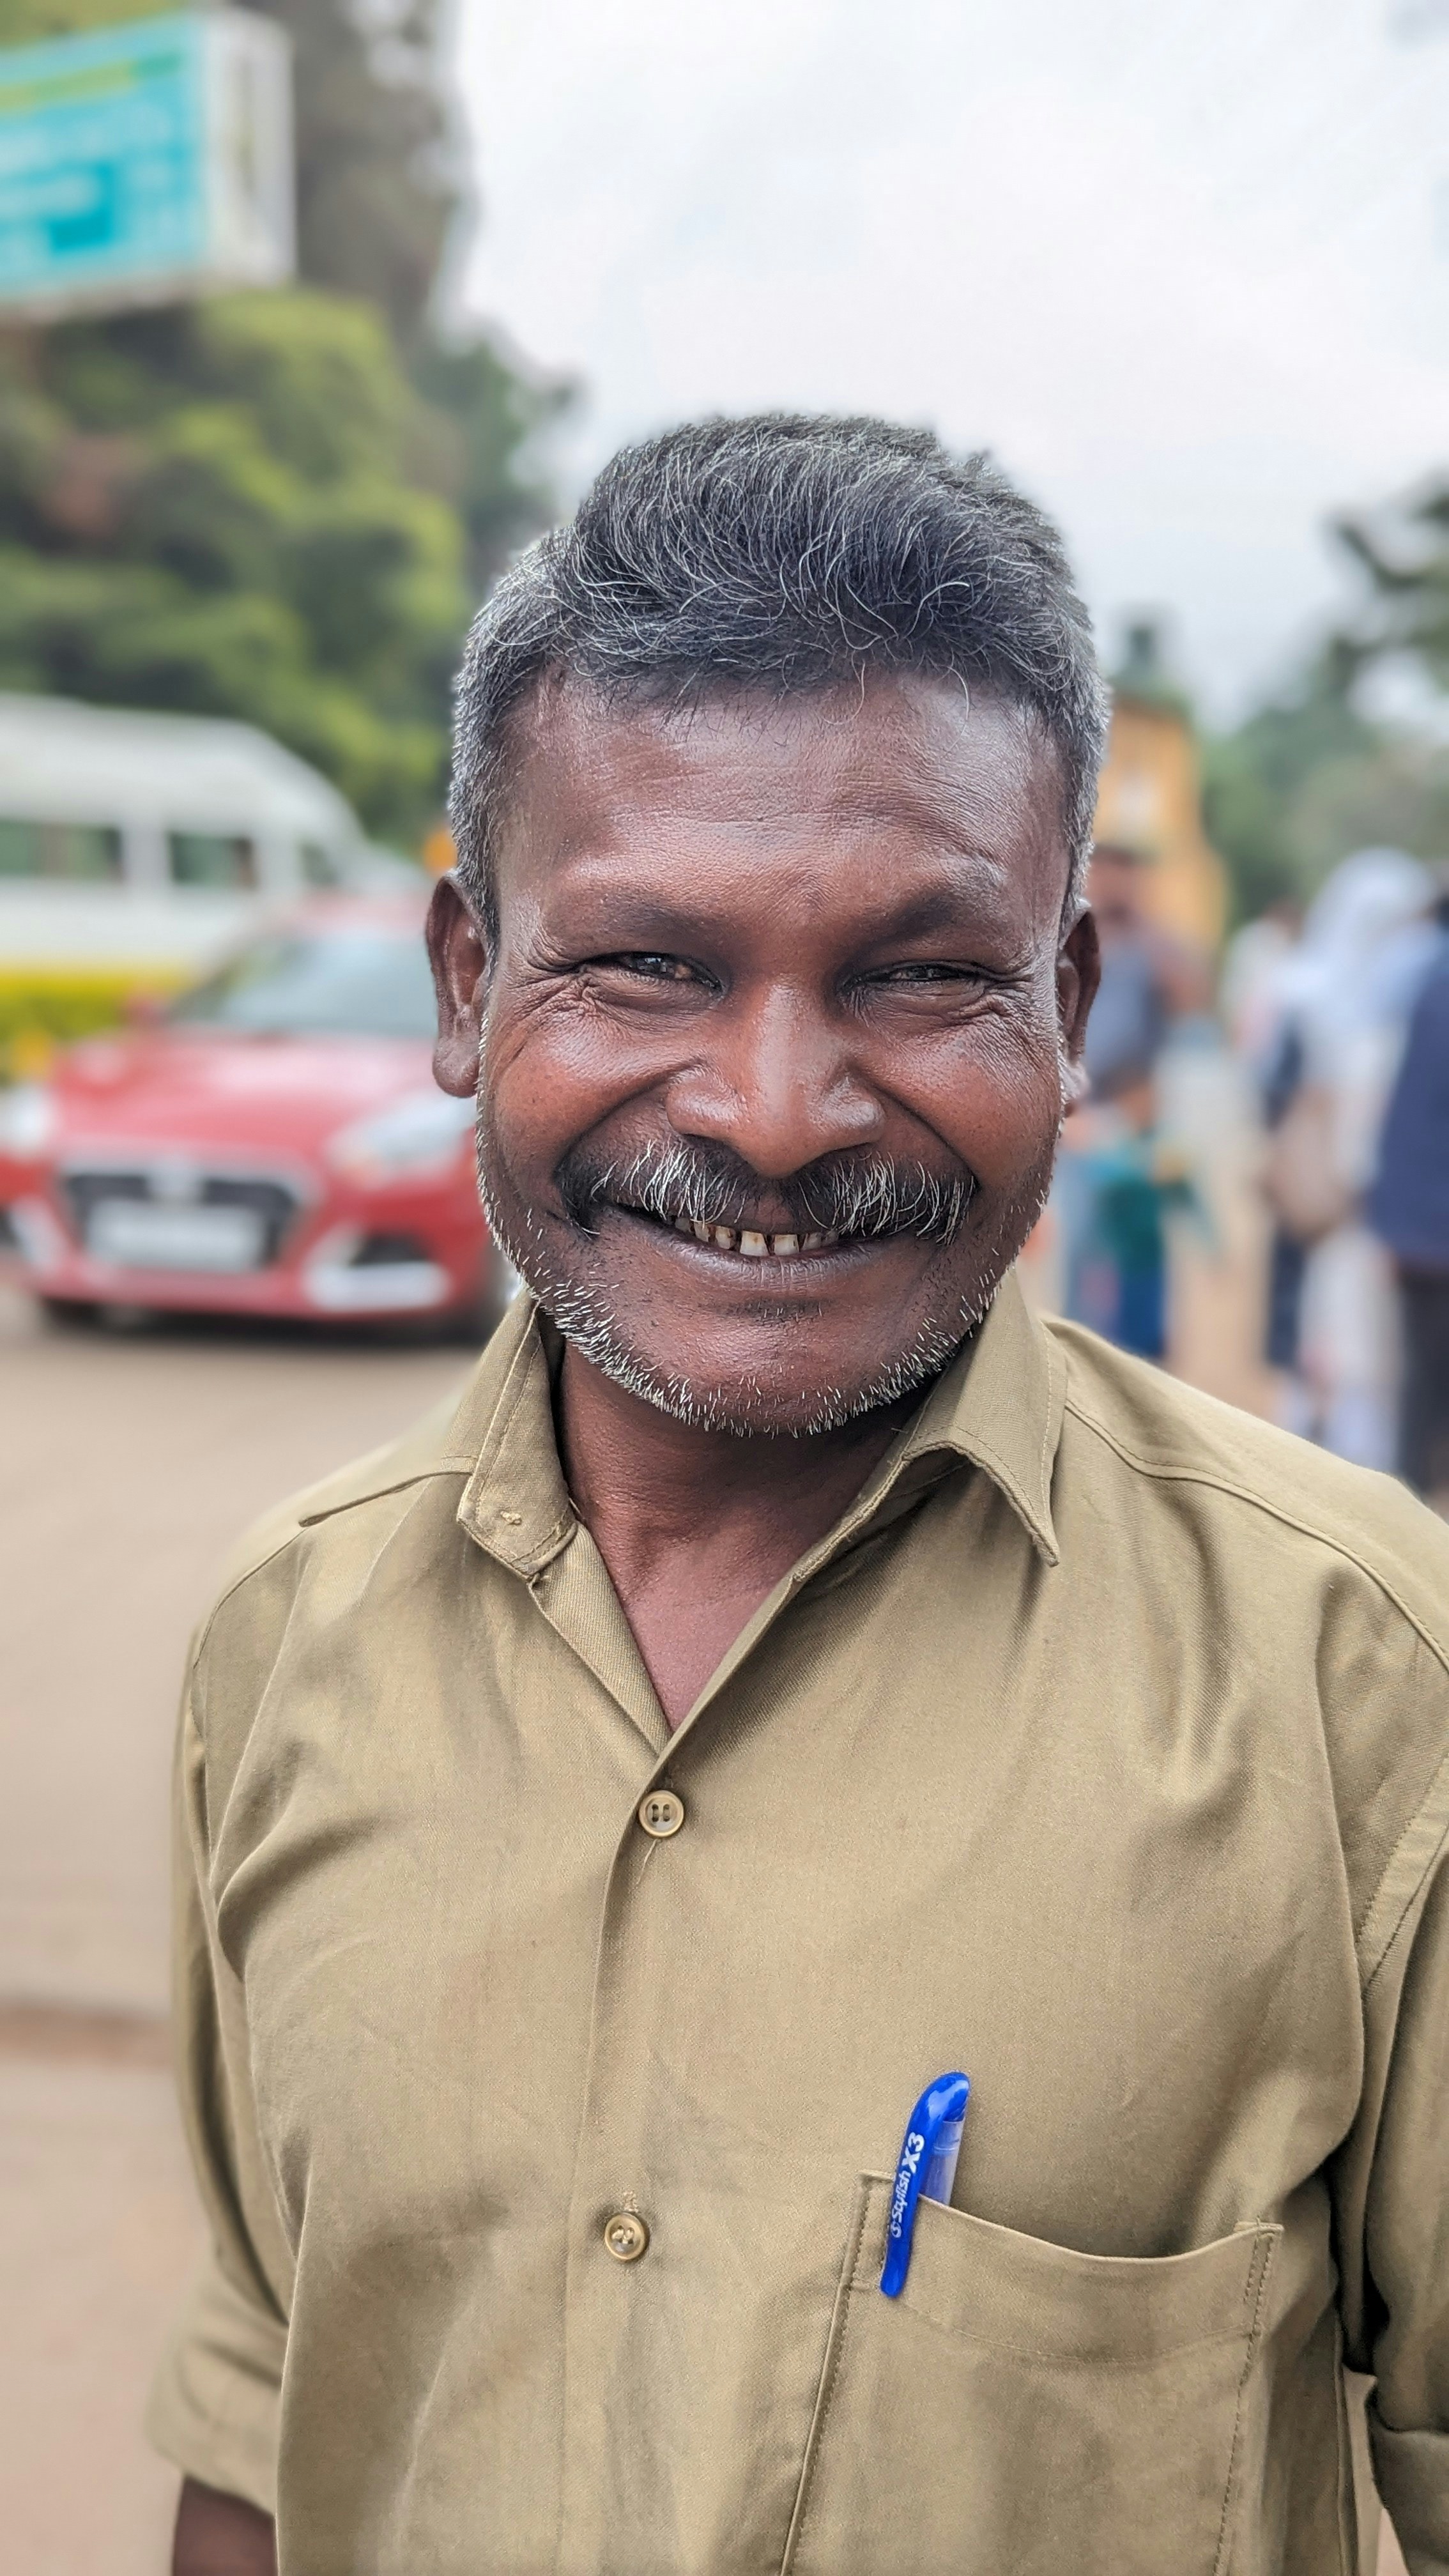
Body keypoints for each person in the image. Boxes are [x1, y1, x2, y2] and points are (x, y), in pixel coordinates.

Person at [150, 417, 1449, 2576]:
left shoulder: (1362, 1681)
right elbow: (272, 2402)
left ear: (1065, 1004)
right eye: (648, 963)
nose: (767, 1114)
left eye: (918, 972)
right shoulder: (281, 1645)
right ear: (469, 983)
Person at [1370, 889, 1449, 1503]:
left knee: (1420, 1382)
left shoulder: (1425, 982)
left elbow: (1400, 1115)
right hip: (1432, 1225)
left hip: (1418, 1225)